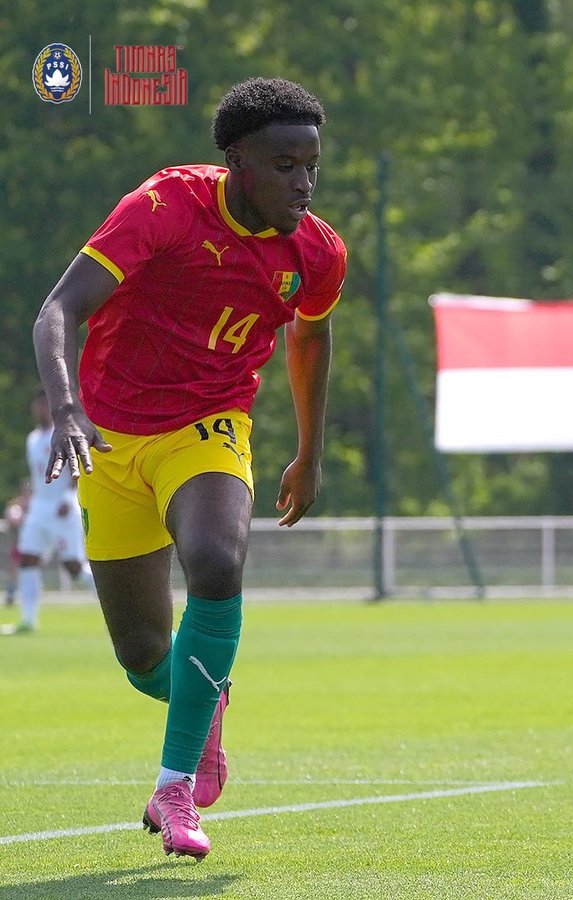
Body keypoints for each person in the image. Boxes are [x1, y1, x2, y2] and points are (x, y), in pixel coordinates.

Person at [32, 77, 345, 861]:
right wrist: (66, 408)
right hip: (108, 439)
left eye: (311, 165)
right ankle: (207, 700)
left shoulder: (316, 251)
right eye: (284, 165)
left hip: (208, 428)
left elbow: (310, 337)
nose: (302, 183)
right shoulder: (164, 208)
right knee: (143, 659)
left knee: (215, 561)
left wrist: (308, 453)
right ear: (236, 160)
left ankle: (174, 792)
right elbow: (59, 310)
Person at [7, 390, 91, 634]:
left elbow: (77, 469)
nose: (41, 409)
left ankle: (118, 599)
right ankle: (28, 620)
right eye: (38, 404)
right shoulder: (32, 439)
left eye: (45, 403)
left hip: (62, 508)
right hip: (39, 509)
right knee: (27, 558)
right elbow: (35, 479)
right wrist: (21, 505)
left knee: (73, 568)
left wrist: (68, 497)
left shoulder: (64, 432)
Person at [3, 480, 29, 608]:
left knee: (29, 571)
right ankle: (11, 594)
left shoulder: (36, 504)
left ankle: (27, 596)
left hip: (31, 545)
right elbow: (13, 520)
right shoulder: (16, 505)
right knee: (14, 572)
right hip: (18, 545)